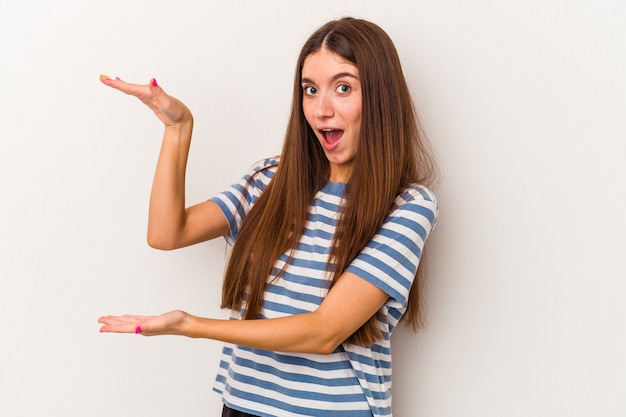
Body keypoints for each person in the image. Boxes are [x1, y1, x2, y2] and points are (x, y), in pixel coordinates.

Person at [98, 17, 438, 417]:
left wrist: (191, 326)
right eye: (310, 90)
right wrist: (178, 129)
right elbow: (167, 233)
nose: (322, 109)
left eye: (343, 88)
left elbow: (322, 332)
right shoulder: (271, 182)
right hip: (241, 404)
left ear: (380, 98)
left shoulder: (409, 206)